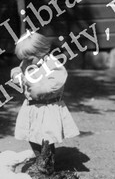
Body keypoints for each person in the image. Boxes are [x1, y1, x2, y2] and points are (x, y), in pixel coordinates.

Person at [11, 31, 79, 168]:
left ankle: (48, 164)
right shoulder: (27, 62)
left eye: (29, 59)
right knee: (32, 135)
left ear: (41, 52)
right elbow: (18, 70)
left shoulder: (53, 65)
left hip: (47, 107)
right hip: (32, 107)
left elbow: (56, 81)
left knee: (46, 138)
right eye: (24, 59)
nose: (26, 62)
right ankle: (39, 159)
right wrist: (16, 75)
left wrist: (39, 88)